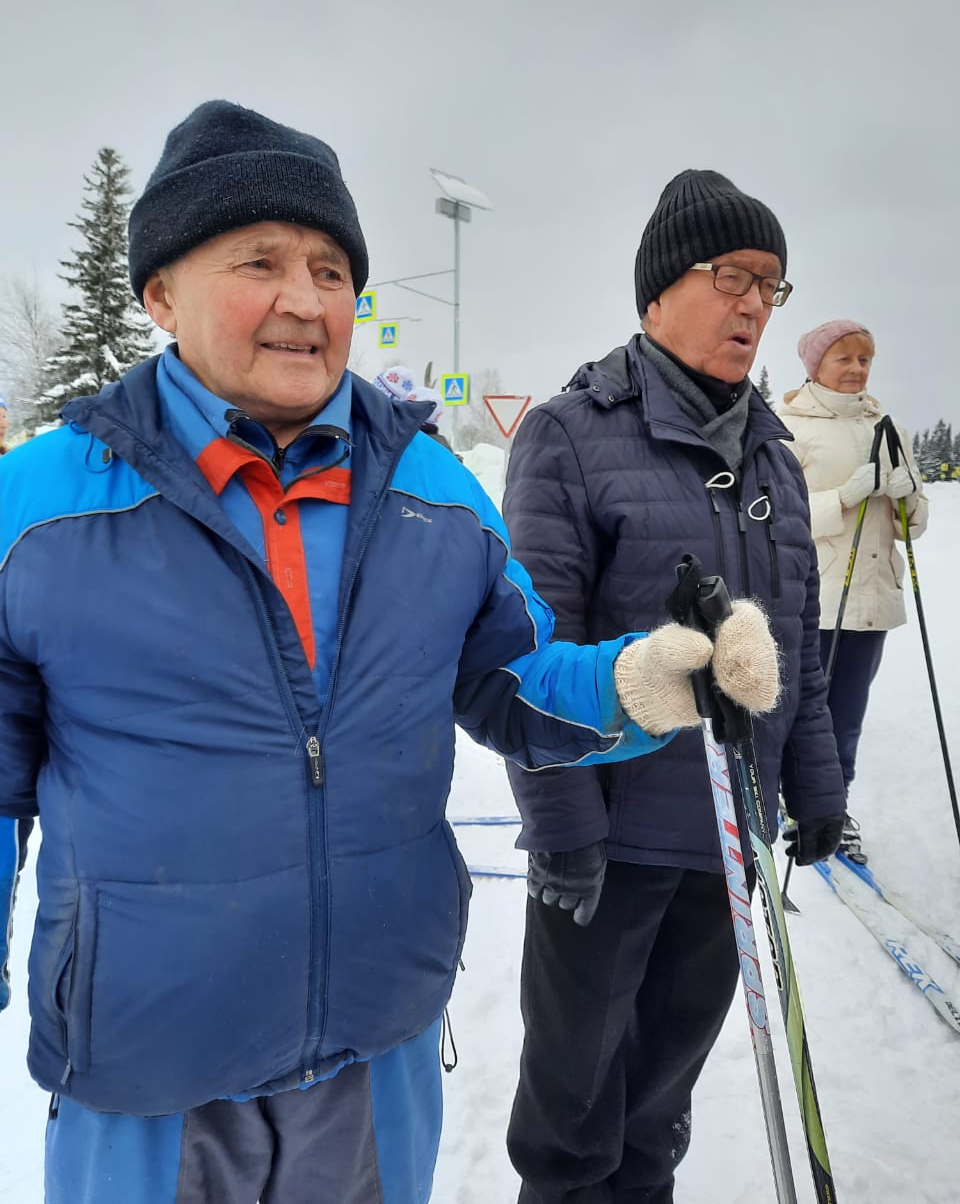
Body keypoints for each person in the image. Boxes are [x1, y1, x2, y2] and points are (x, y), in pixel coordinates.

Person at [0, 107, 780, 1204]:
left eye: (330, 269)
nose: (305, 300)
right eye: (259, 260)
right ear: (161, 291)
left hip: (372, 1050)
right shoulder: (38, 507)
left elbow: (514, 679)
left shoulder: (429, 493)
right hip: (146, 1072)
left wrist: (648, 678)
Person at [501, 169, 847, 1204]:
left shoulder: (777, 460)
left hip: (726, 839)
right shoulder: (571, 434)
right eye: (731, 275)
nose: (752, 303)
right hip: (611, 841)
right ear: (658, 291)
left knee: (657, 1114)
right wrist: (561, 819)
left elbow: (800, 647)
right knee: (573, 1122)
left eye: (770, 286)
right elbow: (530, 645)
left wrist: (818, 785)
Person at [778, 319, 928, 861]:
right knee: (799, 710)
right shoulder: (788, 425)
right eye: (845, 358)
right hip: (813, 596)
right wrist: (843, 496)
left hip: (871, 597)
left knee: (847, 714)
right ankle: (794, 801)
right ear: (815, 364)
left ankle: (832, 811)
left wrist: (909, 498)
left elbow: (914, 525)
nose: (857, 369)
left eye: (865, 360)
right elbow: (777, 517)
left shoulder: (888, 427)